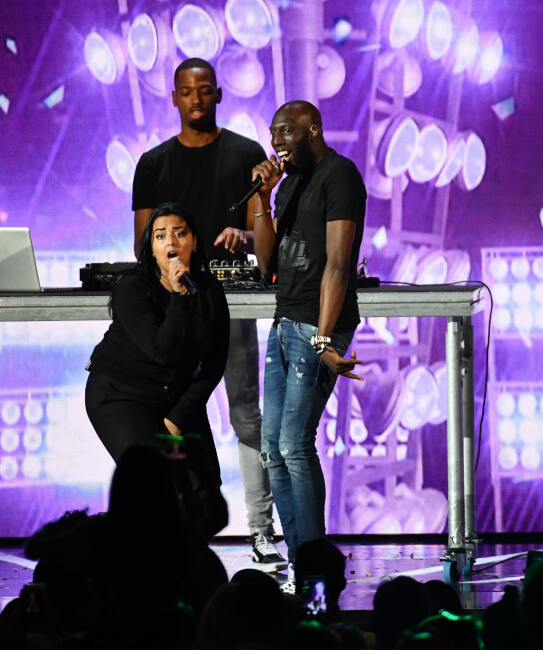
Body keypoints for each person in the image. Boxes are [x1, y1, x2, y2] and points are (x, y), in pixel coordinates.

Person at [131, 57, 286, 571]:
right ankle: (171, 532)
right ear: (174, 97)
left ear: (218, 95)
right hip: (172, 311)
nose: (196, 100)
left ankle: (262, 530)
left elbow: (263, 241)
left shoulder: (244, 153)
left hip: (229, 306)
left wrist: (244, 233)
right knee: (170, 421)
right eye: (186, 92)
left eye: (204, 92)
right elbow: (142, 244)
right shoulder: (153, 164)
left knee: (246, 417)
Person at [251, 100, 367, 592]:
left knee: (295, 446)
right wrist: (262, 197)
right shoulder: (290, 182)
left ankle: (316, 564)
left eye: (286, 131)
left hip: (316, 327)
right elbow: (265, 263)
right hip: (284, 322)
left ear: (313, 129)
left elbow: (338, 265)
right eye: (273, 132)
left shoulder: (339, 176)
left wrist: (323, 338)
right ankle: (303, 560)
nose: (277, 140)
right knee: (272, 450)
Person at [85, 202, 229, 536]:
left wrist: (177, 417)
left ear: (193, 240)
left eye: (180, 233)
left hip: (174, 398)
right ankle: (101, 547)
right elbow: (161, 350)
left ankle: (189, 569)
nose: (171, 243)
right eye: (161, 236)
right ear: (151, 248)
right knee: (155, 484)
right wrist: (178, 297)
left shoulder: (209, 291)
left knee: (205, 488)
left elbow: (214, 364)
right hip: (122, 395)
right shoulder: (133, 289)